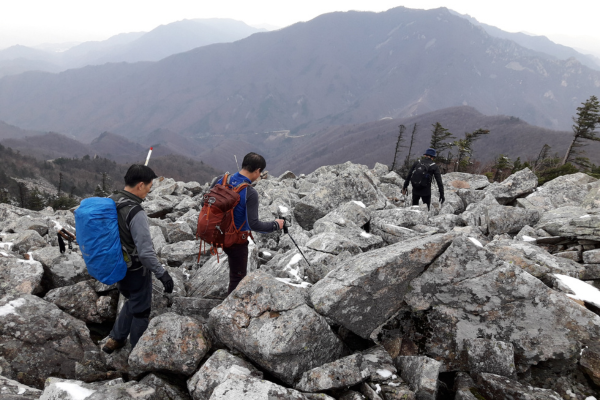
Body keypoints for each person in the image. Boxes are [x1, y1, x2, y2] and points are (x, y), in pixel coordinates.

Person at [102, 165, 174, 354]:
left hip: (115, 264)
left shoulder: (110, 202)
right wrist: (163, 274)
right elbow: (145, 253)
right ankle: (137, 354)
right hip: (134, 269)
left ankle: (115, 339)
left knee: (131, 299)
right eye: (149, 187)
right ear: (140, 185)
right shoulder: (135, 212)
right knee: (141, 310)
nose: (148, 192)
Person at [207, 152, 284, 294]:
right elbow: (254, 224)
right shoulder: (250, 192)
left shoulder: (220, 179)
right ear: (257, 171)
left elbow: (204, 203)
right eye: (260, 173)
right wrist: (276, 224)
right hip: (236, 241)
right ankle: (229, 311)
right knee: (237, 278)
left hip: (215, 233)